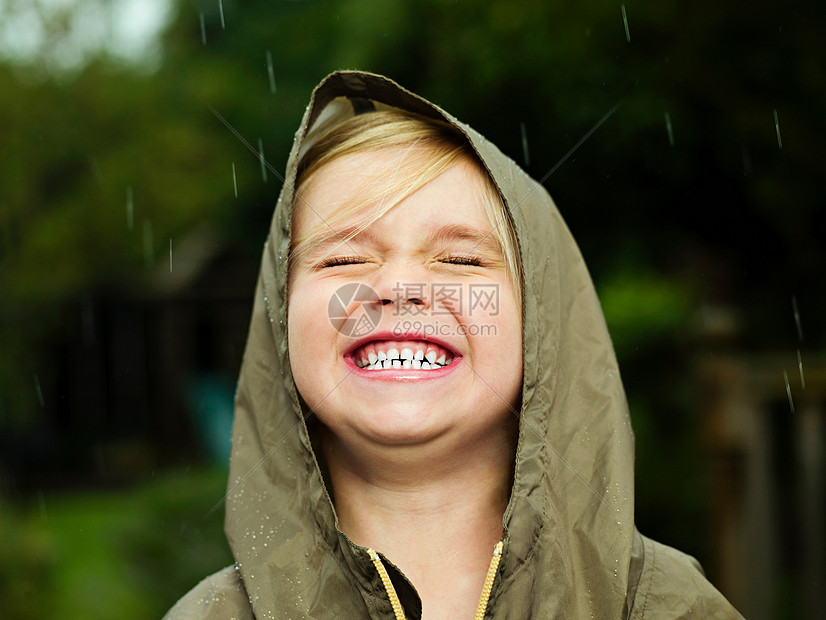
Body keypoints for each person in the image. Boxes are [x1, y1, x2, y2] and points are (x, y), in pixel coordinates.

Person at [165, 71, 742, 619]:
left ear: (539, 320)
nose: (398, 288)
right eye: (343, 258)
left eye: (461, 260)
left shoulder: (668, 607)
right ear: (281, 319)